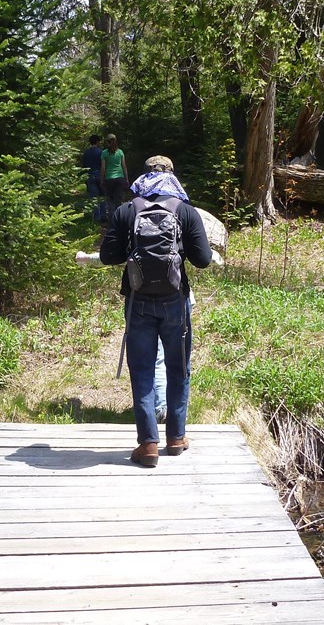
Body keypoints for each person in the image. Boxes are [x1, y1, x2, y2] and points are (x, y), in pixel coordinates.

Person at [99, 156, 211, 467]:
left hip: (138, 302)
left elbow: (108, 256)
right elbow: (202, 260)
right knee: (178, 368)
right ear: (172, 177)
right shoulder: (185, 211)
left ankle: (148, 444)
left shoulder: (126, 210)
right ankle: (176, 437)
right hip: (175, 302)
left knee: (143, 371)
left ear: (143, 176)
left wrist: (132, 250)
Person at [99, 134, 128, 216]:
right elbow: (124, 166)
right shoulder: (120, 152)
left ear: (107, 142)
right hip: (120, 178)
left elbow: (103, 168)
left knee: (110, 200)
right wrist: (126, 179)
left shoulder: (104, 153)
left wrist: (102, 180)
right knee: (118, 200)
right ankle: (119, 219)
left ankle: (112, 220)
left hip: (109, 179)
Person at [80, 135, 105, 223]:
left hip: (90, 176)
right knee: (102, 196)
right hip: (100, 176)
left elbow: (84, 166)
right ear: (97, 141)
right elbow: (103, 165)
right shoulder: (101, 152)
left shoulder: (86, 153)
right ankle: (103, 216)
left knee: (94, 198)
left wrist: (84, 178)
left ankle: (96, 217)